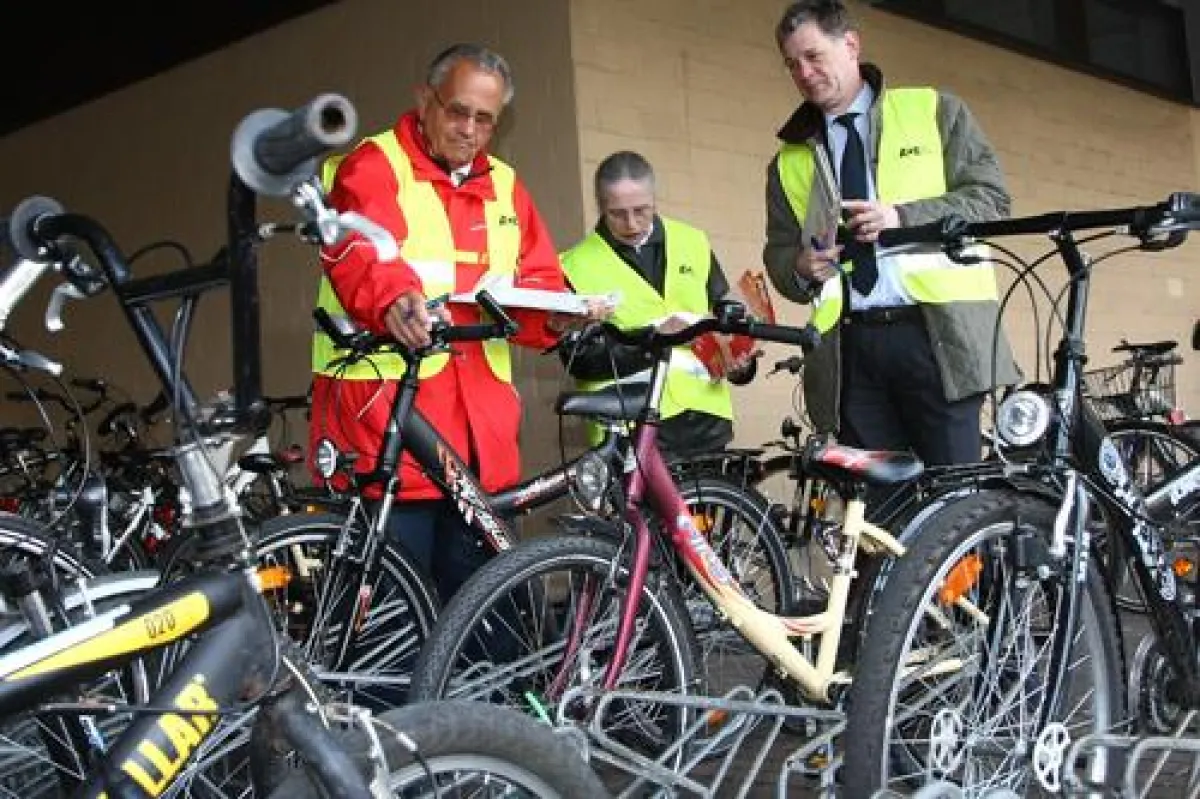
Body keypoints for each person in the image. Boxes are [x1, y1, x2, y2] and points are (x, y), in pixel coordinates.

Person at [308, 43, 584, 605]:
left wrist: (560, 313)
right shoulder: (372, 165)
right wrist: (396, 299)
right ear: (424, 100)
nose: (469, 129)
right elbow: (362, 252)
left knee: (490, 629)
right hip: (387, 432)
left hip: (480, 446)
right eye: (458, 111)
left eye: (485, 118)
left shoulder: (506, 186)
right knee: (390, 633)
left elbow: (536, 281)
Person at [762, 0, 1021, 469]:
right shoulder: (788, 162)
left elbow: (991, 200)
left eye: (814, 56)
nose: (803, 72)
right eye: (791, 64)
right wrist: (799, 266)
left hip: (939, 339)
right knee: (876, 515)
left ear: (851, 45)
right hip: (850, 353)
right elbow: (779, 254)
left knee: (954, 499)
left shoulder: (935, 111)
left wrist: (903, 216)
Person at [559, 151, 758, 460]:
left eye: (642, 210)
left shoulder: (693, 242)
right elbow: (580, 360)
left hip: (705, 420)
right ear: (600, 205)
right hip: (628, 427)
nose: (632, 223)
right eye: (617, 213)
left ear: (655, 199)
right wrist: (655, 338)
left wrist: (741, 362)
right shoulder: (573, 265)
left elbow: (725, 320)